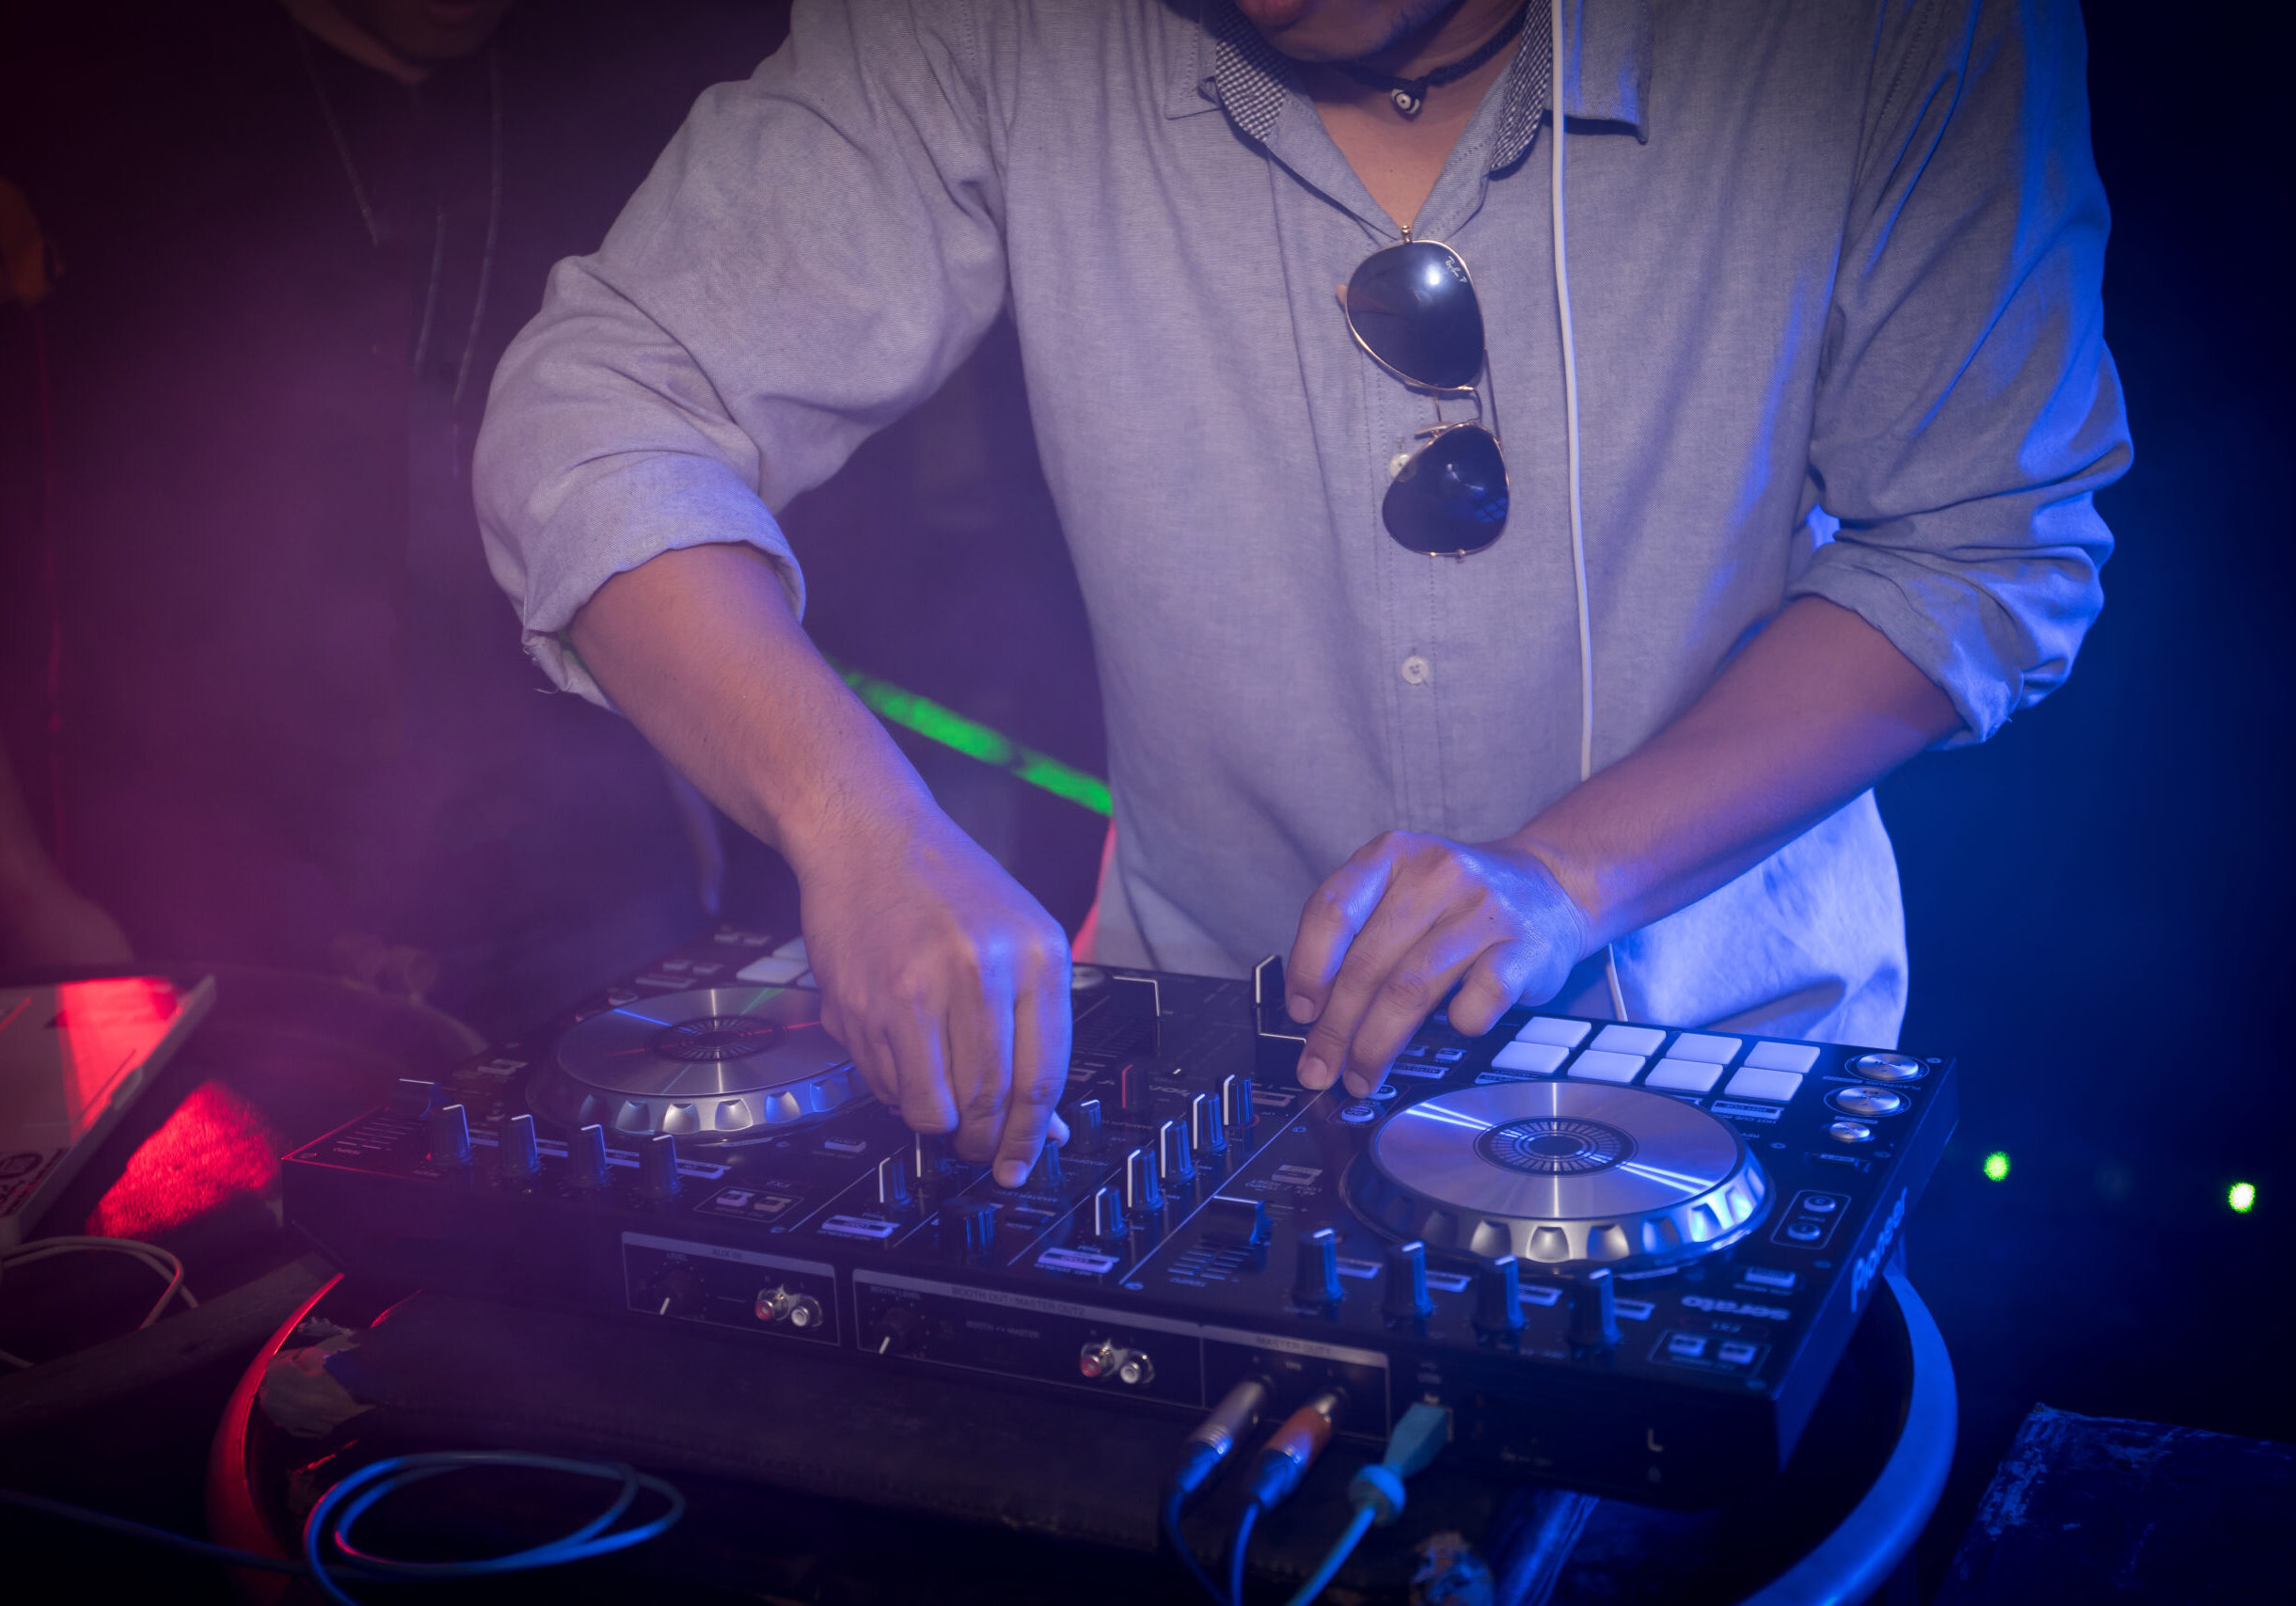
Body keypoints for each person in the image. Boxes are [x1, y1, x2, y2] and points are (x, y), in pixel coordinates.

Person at [475, 0, 2130, 1187]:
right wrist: (861, 835)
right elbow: (607, 411)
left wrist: (1564, 876)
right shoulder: (983, 28)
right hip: (1188, 1062)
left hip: (1726, 1086)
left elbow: (1981, 537)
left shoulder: (1899, 27)